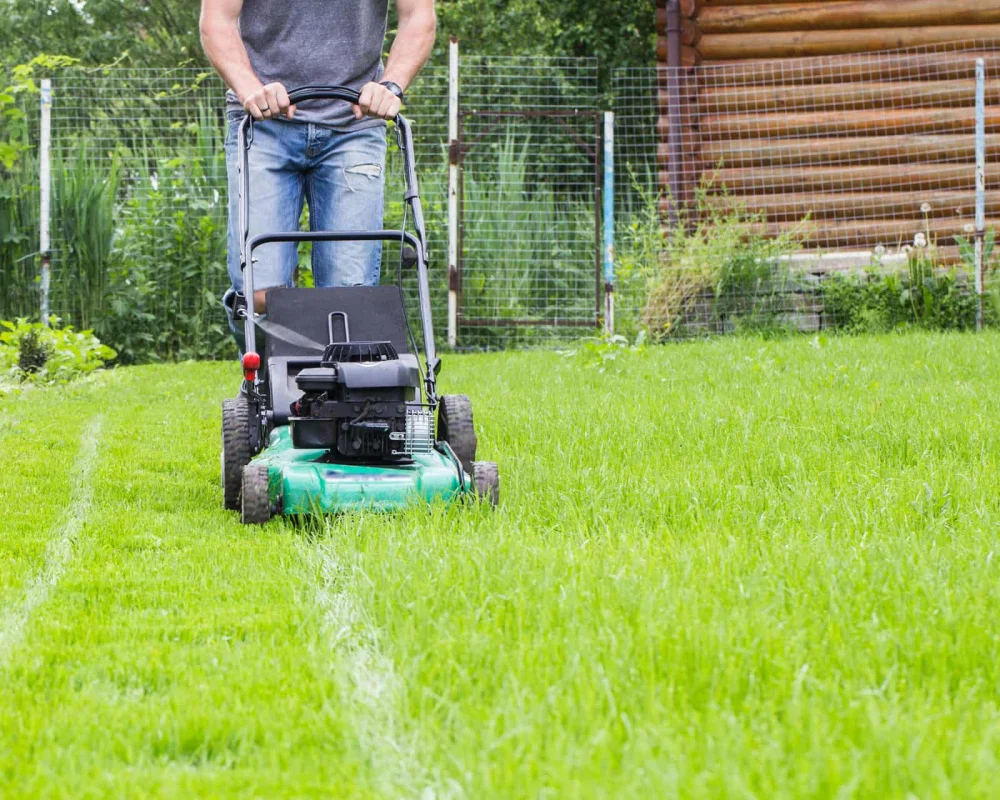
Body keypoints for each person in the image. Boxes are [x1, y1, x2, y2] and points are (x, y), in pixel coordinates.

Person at [199, 0, 437, 338]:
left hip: (354, 126)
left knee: (351, 292)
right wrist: (249, 87)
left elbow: (418, 16)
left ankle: (339, 386)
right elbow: (217, 20)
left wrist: (391, 85)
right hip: (263, 124)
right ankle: (263, 384)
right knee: (258, 295)